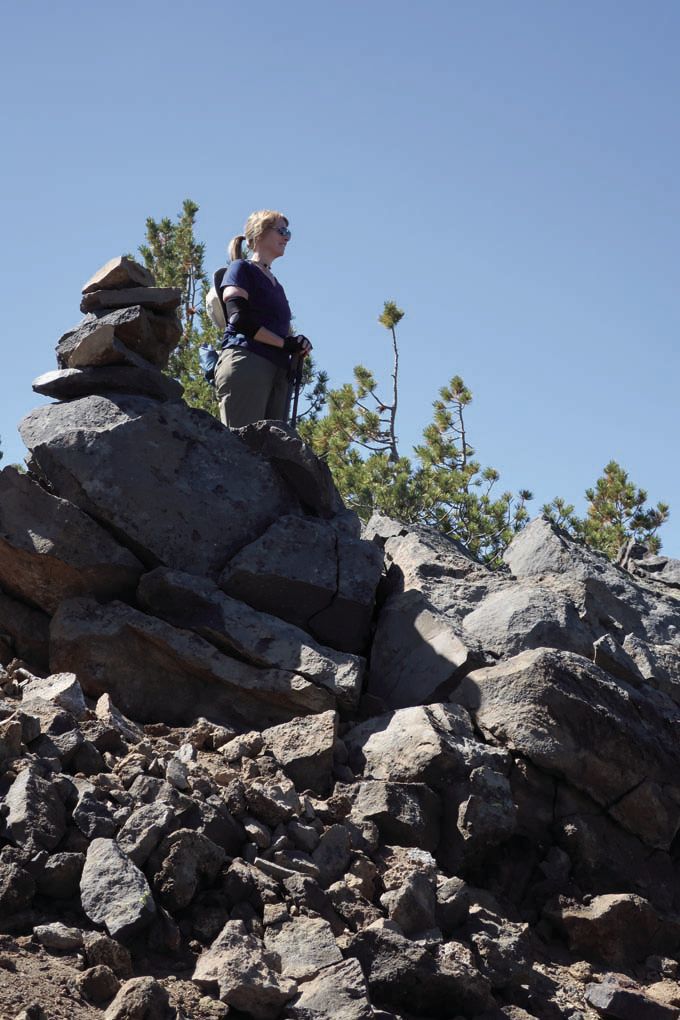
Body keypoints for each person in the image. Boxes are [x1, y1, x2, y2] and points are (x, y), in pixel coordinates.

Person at [214, 209, 312, 428]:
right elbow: (239, 319)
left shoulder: (277, 284)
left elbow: (282, 333)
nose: (287, 237)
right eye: (282, 230)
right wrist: (285, 344)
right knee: (242, 448)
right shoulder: (241, 268)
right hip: (248, 361)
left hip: (276, 371)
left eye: (289, 232)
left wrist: (296, 344)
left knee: (270, 454)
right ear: (259, 234)